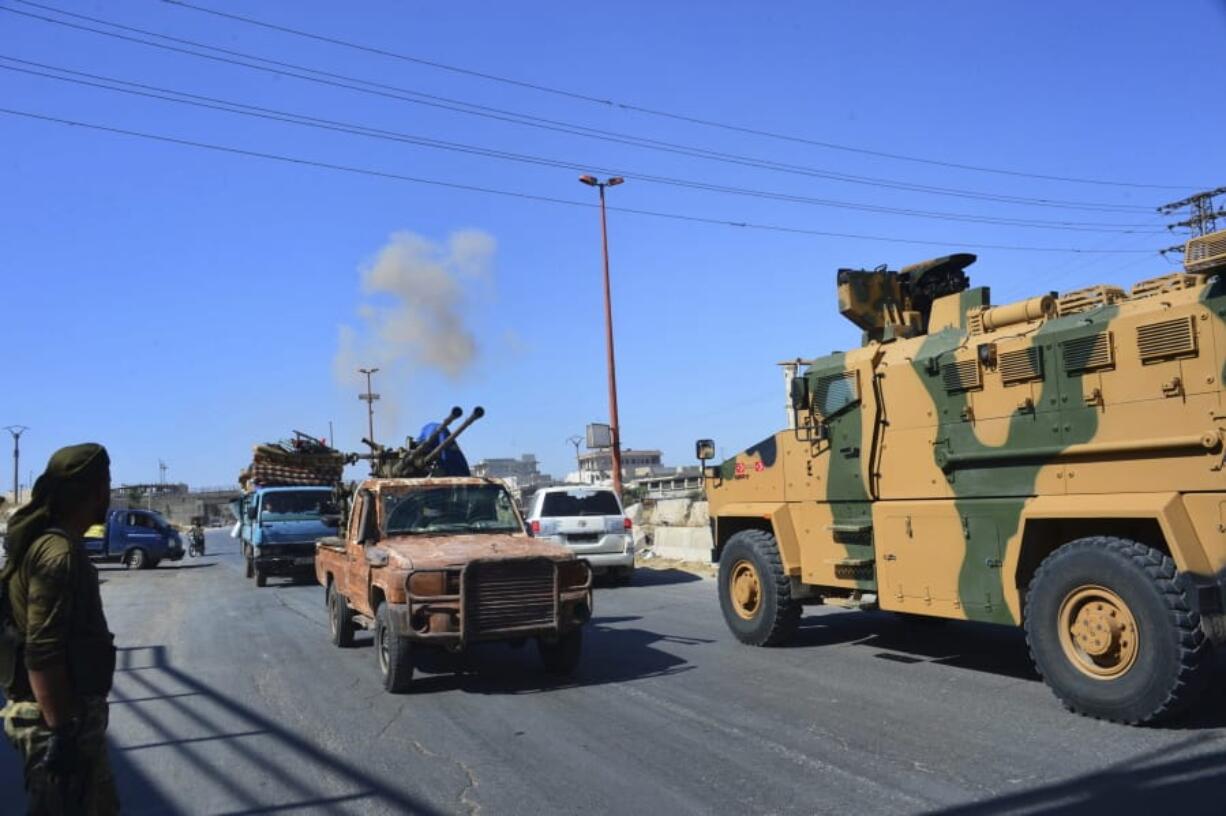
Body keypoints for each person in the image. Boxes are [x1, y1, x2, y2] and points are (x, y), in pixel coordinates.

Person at [0, 443, 119, 815]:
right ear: (97, 489)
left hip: (64, 717)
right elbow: (43, 651)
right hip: (55, 720)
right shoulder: (57, 554)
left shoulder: (56, 543)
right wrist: (63, 734)